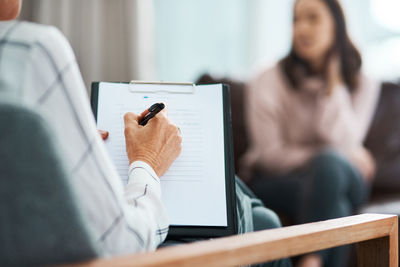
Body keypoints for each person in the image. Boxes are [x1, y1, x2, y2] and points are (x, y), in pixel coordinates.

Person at [0, 1, 291, 266]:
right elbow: (123, 245)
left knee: (257, 211)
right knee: (261, 218)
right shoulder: (29, 51)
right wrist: (147, 160)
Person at [240, 0, 380, 267]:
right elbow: (270, 155)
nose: (301, 28)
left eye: (312, 18)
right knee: (334, 199)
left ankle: (310, 259)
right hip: (279, 179)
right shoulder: (267, 79)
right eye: (295, 19)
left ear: (337, 25)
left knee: (329, 169)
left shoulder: (363, 82)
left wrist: (334, 85)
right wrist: (326, 157)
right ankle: (312, 260)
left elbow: (348, 140)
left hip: (343, 177)